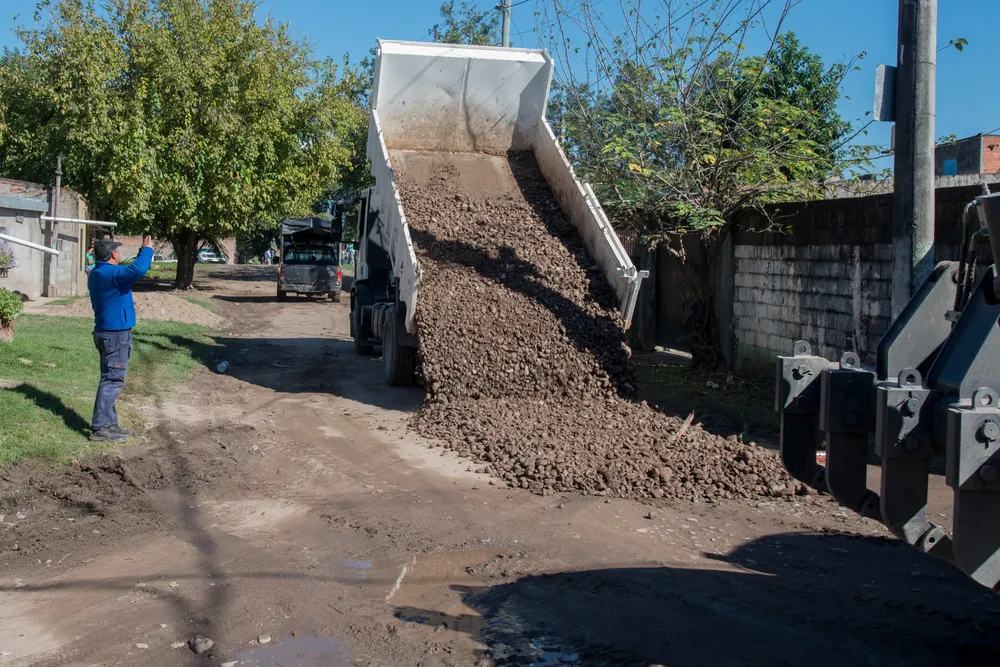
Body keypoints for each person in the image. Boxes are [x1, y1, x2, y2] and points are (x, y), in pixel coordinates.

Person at [87, 235, 154, 443]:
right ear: (113, 254)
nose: (120, 252)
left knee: (110, 377)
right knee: (112, 380)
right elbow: (138, 270)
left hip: (108, 333)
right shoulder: (111, 273)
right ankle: (99, 428)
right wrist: (147, 250)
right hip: (115, 335)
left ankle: (110, 424)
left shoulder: (98, 272)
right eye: (118, 250)